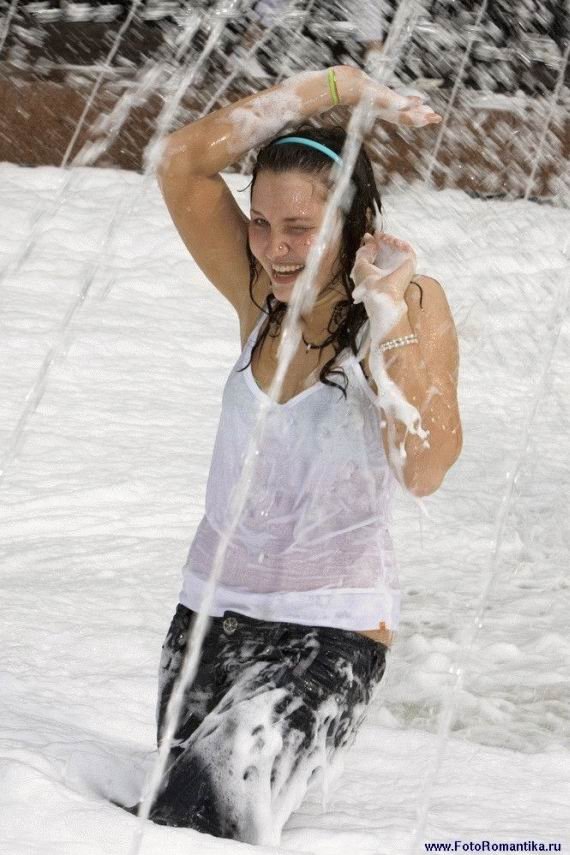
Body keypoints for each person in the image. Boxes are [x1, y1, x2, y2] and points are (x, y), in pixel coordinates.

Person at [126, 66, 462, 844]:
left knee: (206, 801)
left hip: (333, 631)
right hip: (207, 616)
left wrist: (386, 322)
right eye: (262, 222)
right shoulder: (257, 295)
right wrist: (334, 87)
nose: (277, 248)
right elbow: (182, 162)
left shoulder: (410, 301)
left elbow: (425, 466)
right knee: (177, 822)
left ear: (351, 221)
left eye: (302, 228)